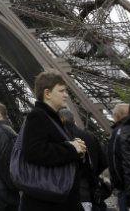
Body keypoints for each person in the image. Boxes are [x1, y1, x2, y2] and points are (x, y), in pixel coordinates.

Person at [19, 70, 87, 211]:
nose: (66, 95)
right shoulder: (38, 116)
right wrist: (71, 148)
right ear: (47, 93)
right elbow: (33, 152)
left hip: (53, 199)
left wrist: (77, 150)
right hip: (48, 202)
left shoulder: (51, 118)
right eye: (61, 91)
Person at [58, 108, 108, 211]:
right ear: (73, 120)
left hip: (67, 194)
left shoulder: (59, 139)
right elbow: (103, 163)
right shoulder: (90, 136)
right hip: (90, 192)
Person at [108, 103, 130, 211]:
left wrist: (118, 185)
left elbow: (114, 162)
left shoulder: (118, 132)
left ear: (116, 116)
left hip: (126, 187)